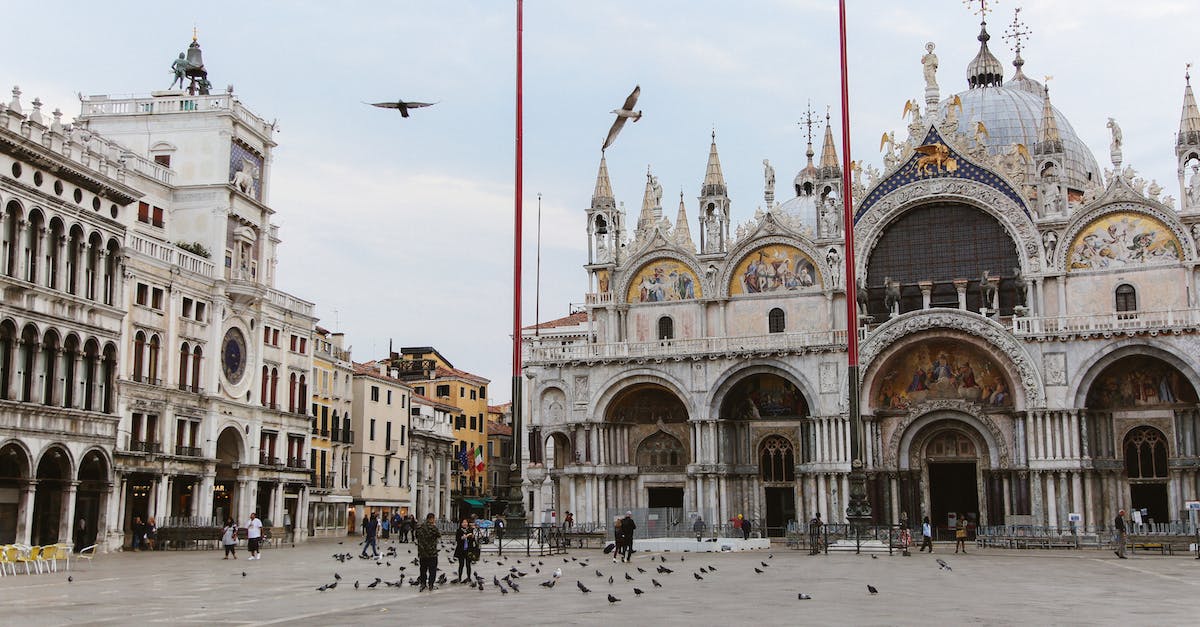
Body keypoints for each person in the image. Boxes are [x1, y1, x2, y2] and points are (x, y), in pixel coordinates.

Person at [415, 513, 441, 591]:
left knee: (423, 569)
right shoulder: (433, 528)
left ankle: (423, 584)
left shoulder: (419, 527)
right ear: (432, 519)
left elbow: (416, 536)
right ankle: (431, 584)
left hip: (422, 553)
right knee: (432, 570)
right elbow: (439, 535)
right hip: (432, 553)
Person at [453, 519, 477, 583]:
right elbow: (457, 539)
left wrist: (472, 537)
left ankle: (469, 577)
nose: (465, 523)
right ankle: (460, 577)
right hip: (461, 549)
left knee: (468, 564)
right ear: (461, 523)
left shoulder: (470, 530)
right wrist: (464, 537)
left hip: (468, 549)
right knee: (461, 564)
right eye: (463, 522)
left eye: (466, 522)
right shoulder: (459, 530)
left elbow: (473, 540)